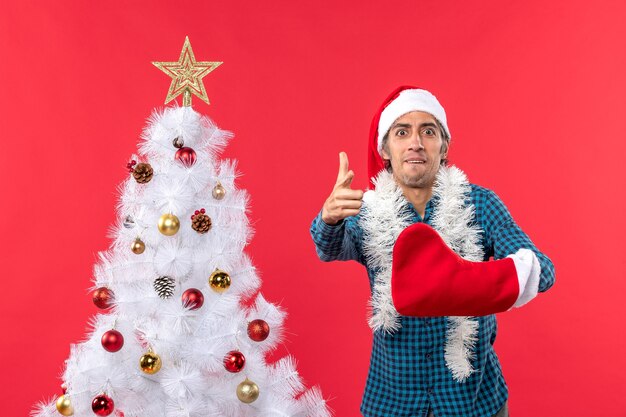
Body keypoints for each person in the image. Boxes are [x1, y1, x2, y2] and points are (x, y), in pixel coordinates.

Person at [309, 86, 555, 417]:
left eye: (428, 131)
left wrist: (468, 285)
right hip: (392, 402)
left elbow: (542, 270)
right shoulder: (368, 210)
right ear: (385, 147)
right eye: (402, 132)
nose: (415, 142)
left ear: (444, 146)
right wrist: (329, 217)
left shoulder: (479, 204)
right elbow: (329, 247)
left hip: (474, 401)